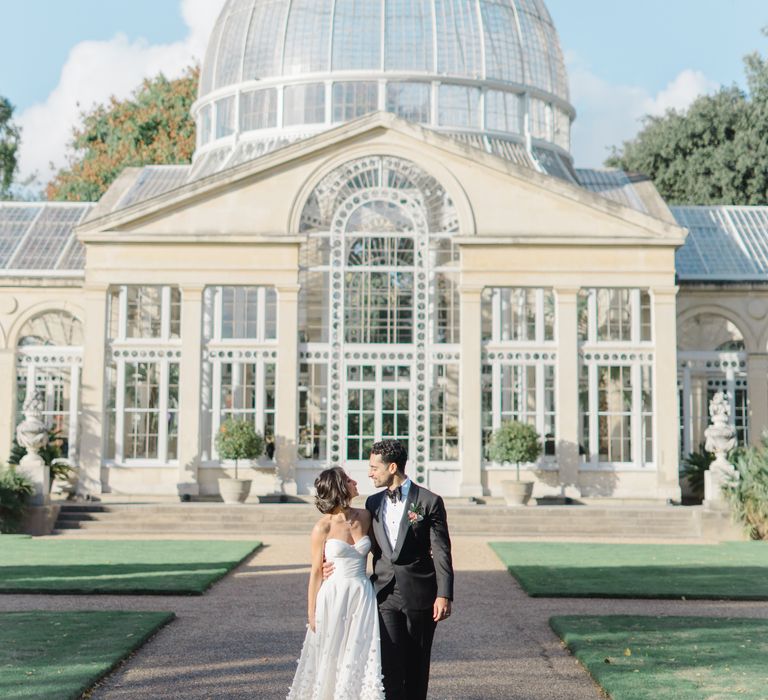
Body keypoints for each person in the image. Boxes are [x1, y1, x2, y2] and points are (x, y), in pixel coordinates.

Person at [325, 439, 454, 700]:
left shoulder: (429, 501)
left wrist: (444, 594)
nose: (370, 473)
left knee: (417, 666)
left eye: (374, 467)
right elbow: (354, 540)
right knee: (388, 667)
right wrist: (334, 565)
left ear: (392, 467)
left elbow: (441, 550)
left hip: (421, 595)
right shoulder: (372, 504)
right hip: (383, 595)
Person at [288, 467, 385, 700]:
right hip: (332, 596)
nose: (355, 481)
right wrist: (311, 613)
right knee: (330, 654)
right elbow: (315, 572)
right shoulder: (323, 527)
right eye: (349, 479)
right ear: (340, 487)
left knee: (359, 651)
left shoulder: (366, 516)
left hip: (362, 594)